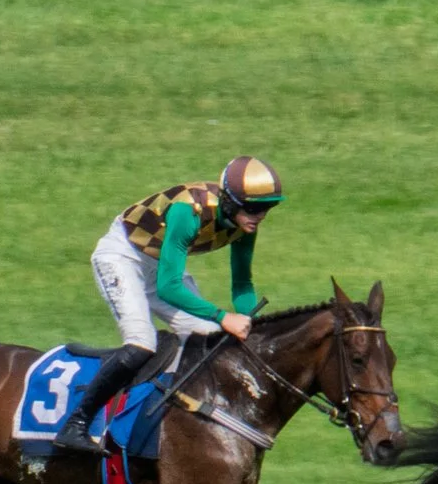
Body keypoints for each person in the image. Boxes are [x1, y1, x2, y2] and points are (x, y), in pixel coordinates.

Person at [54, 156, 285, 453]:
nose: (261, 215)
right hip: (123, 258)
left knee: (209, 336)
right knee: (141, 342)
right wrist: (222, 315)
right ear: (229, 201)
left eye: (268, 207)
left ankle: (183, 416)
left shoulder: (245, 223)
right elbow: (169, 287)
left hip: (161, 265)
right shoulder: (188, 211)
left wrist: (248, 319)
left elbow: (241, 283)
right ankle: (76, 423)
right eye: (253, 208)